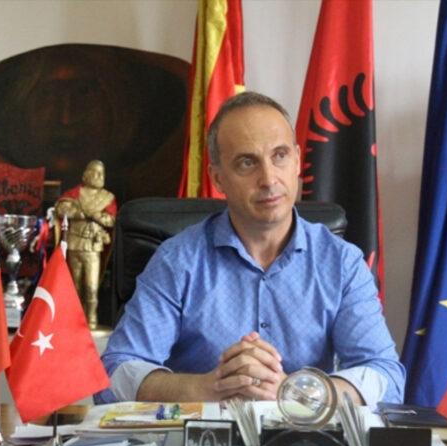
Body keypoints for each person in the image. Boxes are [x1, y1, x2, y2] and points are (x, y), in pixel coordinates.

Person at [96, 92, 405, 408]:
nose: (269, 179)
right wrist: (209, 387)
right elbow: (113, 374)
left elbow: (386, 377)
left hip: (301, 434)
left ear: (298, 161)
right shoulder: (177, 261)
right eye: (247, 162)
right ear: (218, 178)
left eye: (280, 155)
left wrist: (297, 392)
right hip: (204, 432)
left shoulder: (341, 263)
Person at [55, 160, 117, 329]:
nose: (99, 176)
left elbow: (112, 220)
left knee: (91, 286)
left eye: (102, 173)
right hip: (75, 242)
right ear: (85, 175)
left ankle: (91, 319)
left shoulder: (107, 197)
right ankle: (73, 319)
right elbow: (61, 209)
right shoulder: (74, 194)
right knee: (74, 285)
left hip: (93, 245)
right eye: (95, 172)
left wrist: (98, 216)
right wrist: (79, 213)